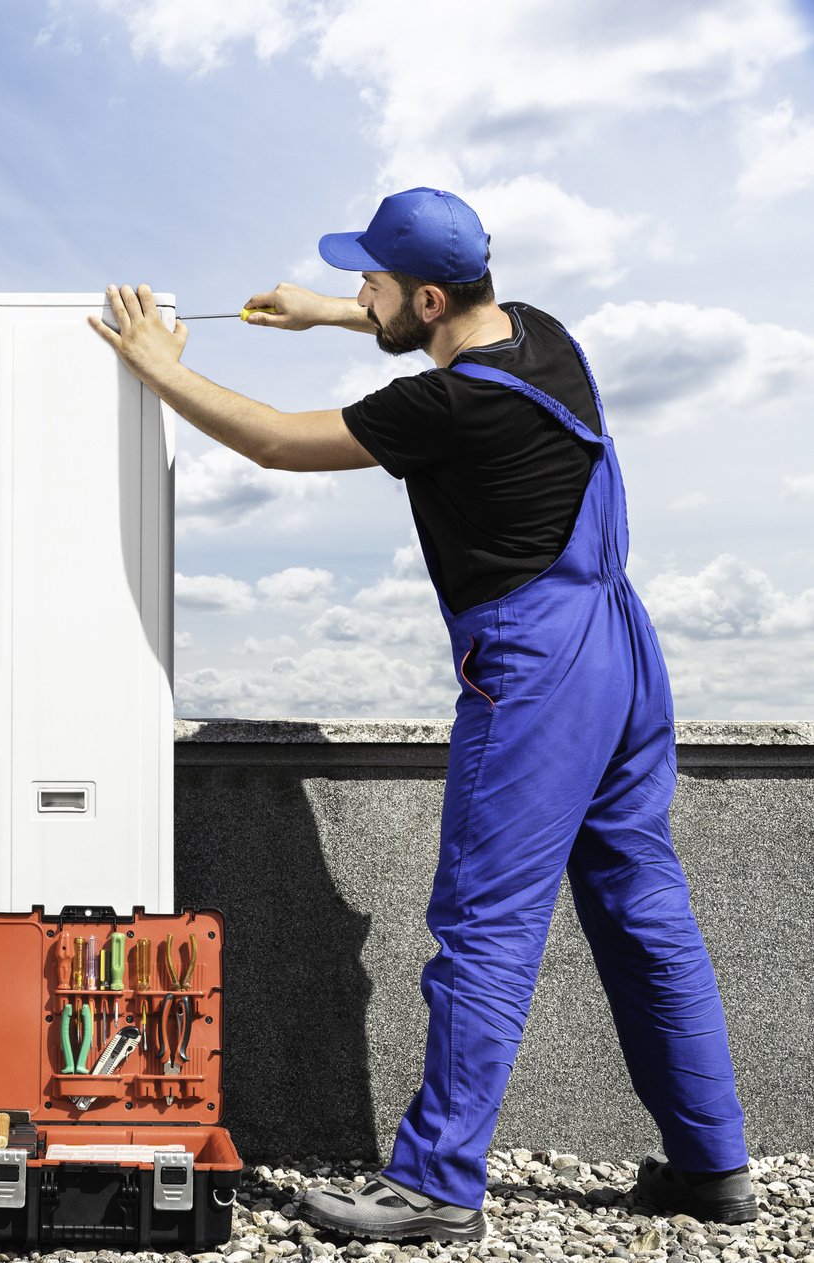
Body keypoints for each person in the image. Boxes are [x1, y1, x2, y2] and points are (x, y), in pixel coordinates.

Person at [87, 187, 755, 1243]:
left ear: (429, 295)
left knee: (483, 928)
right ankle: (712, 1166)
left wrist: (158, 367)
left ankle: (436, 1184)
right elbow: (420, 330)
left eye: (374, 282)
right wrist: (323, 313)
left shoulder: (445, 409)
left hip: (535, 668)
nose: (362, 291)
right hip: (623, 654)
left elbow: (272, 441)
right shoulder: (542, 337)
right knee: (644, 915)